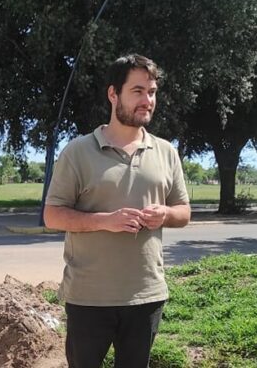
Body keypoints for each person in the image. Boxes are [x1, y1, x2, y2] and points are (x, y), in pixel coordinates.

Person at [44, 54, 191, 368]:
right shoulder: (78, 151)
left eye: (151, 92)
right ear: (113, 94)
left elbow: (184, 212)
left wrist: (165, 214)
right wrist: (105, 221)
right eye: (137, 91)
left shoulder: (166, 152)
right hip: (88, 298)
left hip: (146, 296)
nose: (147, 100)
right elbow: (53, 215)